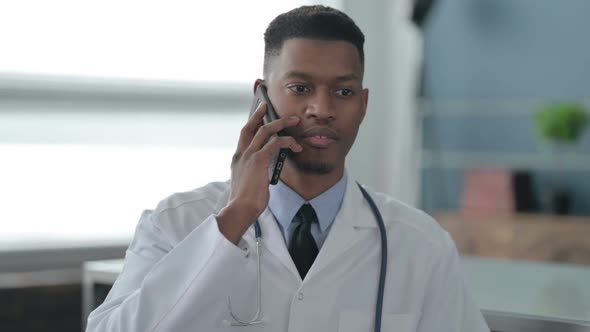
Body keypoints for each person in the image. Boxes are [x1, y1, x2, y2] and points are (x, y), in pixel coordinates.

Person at [86, 5, 489, 332]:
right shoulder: (174, 223)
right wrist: (236, 215)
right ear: (262, 98)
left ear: (363, 105)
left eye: (343, 92)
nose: (322, 109)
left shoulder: (421, 245)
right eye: (300, 88)